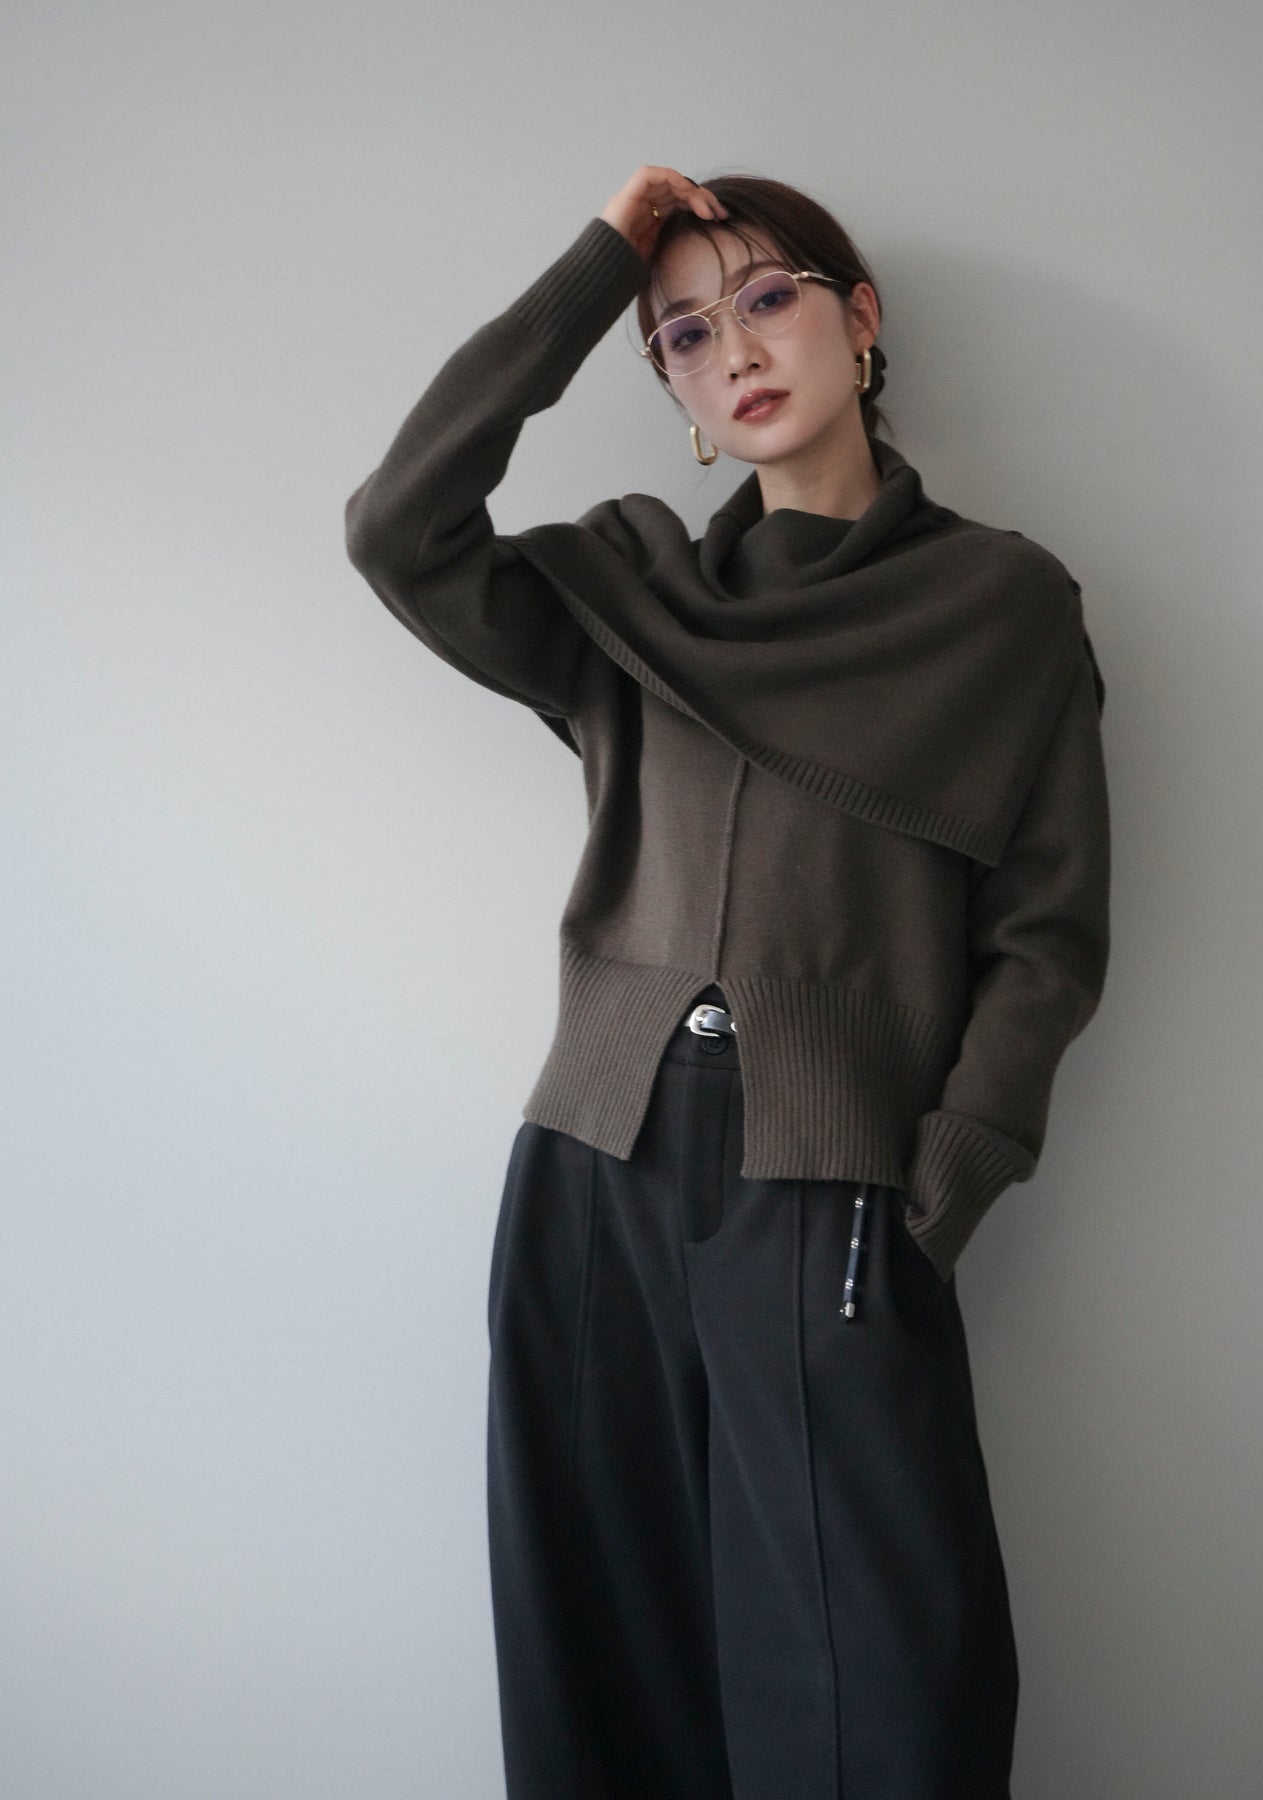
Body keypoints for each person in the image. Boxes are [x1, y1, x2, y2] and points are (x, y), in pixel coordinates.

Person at [344, 163, 1111, 1800]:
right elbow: (397, 527)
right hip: (594, 1173)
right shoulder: (629, 594)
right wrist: (597, 265)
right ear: (672, 389)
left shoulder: (998, 603)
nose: (735, 349)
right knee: (604, 1653)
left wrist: (943, 1180)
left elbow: (1046, 934)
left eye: (766, 298)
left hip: (835, 1189)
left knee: (881, 1692)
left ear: (859, 317)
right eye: (684, 333)